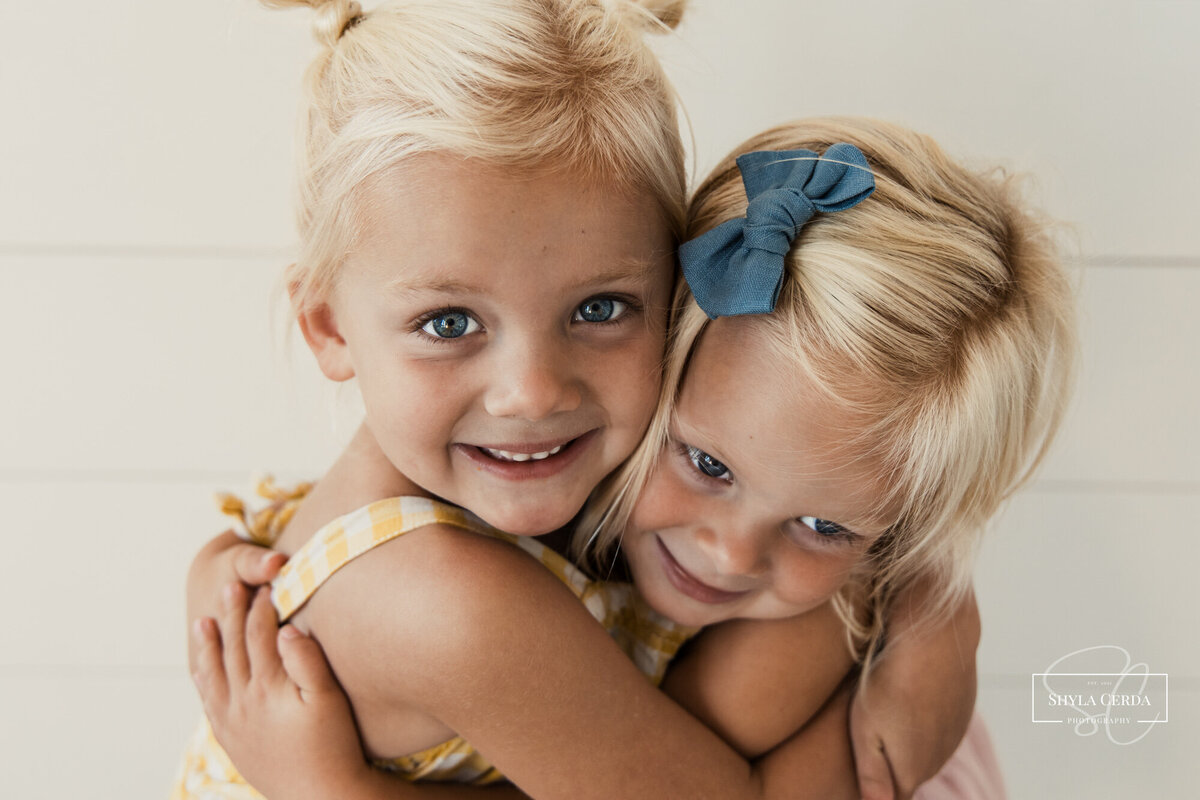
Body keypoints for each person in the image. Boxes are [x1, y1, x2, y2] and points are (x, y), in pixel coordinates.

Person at [186, 115, 1074, 798]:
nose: (730, 553)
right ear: (660, 341)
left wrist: (933, 602)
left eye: (823, 523)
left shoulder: (810, 618)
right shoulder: (505, 476)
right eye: (707, 465)